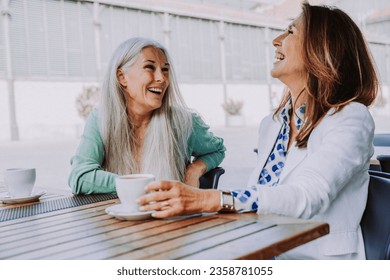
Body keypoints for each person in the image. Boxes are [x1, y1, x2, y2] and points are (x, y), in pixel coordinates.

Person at [137, 2, 379, 260]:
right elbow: (261, 196)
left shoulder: (350, 118)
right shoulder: (272, 125)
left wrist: (208, 199)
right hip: (263, 252)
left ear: (321, 49)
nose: (276, 41)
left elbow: (307, 196)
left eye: (290, 32)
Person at [68, 37, 225, 194]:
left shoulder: (184, 122)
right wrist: (140, 186)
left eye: (165, 70)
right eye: (150, 67)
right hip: (114, 215)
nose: (161, 78)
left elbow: (217, 150)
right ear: (122, 77)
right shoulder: (100, 120)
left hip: (169, 217)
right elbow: (80, 177)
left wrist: (194, 169)